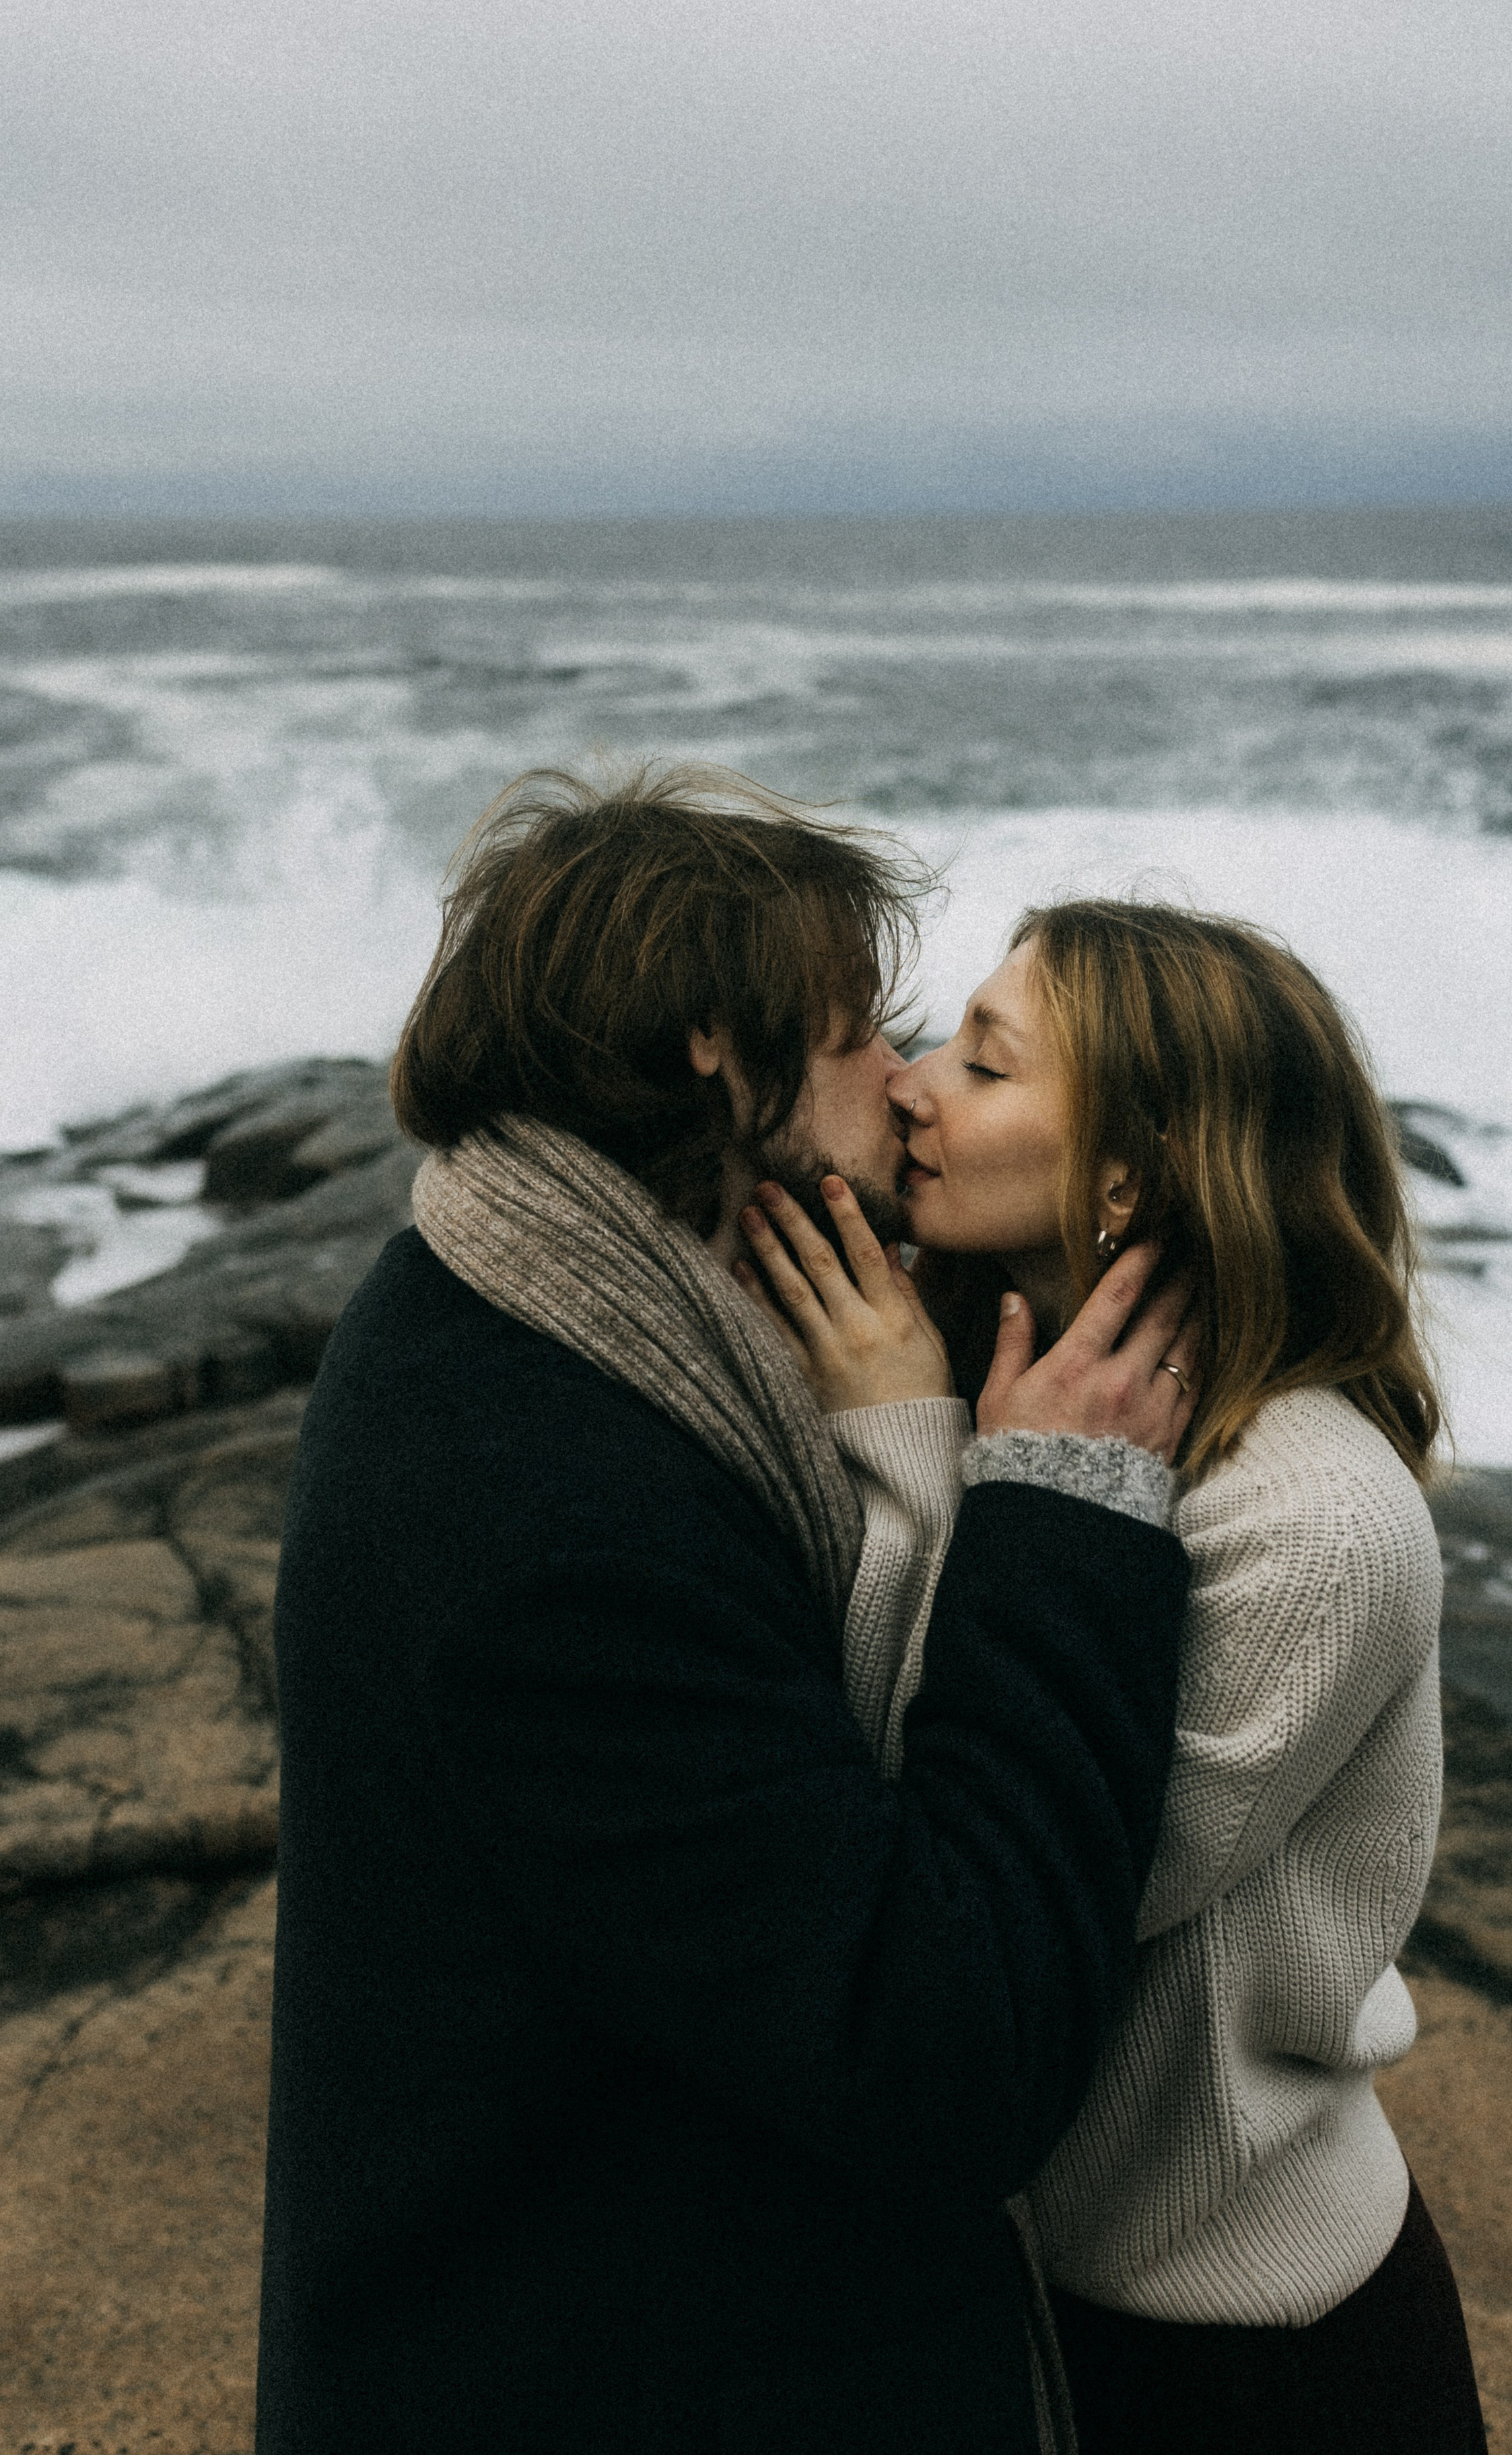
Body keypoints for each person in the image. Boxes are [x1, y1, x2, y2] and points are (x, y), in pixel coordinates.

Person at [254, 771, 1201, 2455]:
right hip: (604, 2375)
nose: (898, 1080)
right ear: (713, 1045)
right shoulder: (548, 1518)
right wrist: (1067, 1511)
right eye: (852, 1036)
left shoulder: (507, 1289)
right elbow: (941, 2050)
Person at [736, 898, 1490, 2455]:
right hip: (1005, 2278)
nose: (912, 1088)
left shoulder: (1308, 1518)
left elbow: (989, 1889)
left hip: (1238, 2337)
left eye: (986, 1068)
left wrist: (910, 1451)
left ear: (1132, 1173)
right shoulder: (966, 1346)